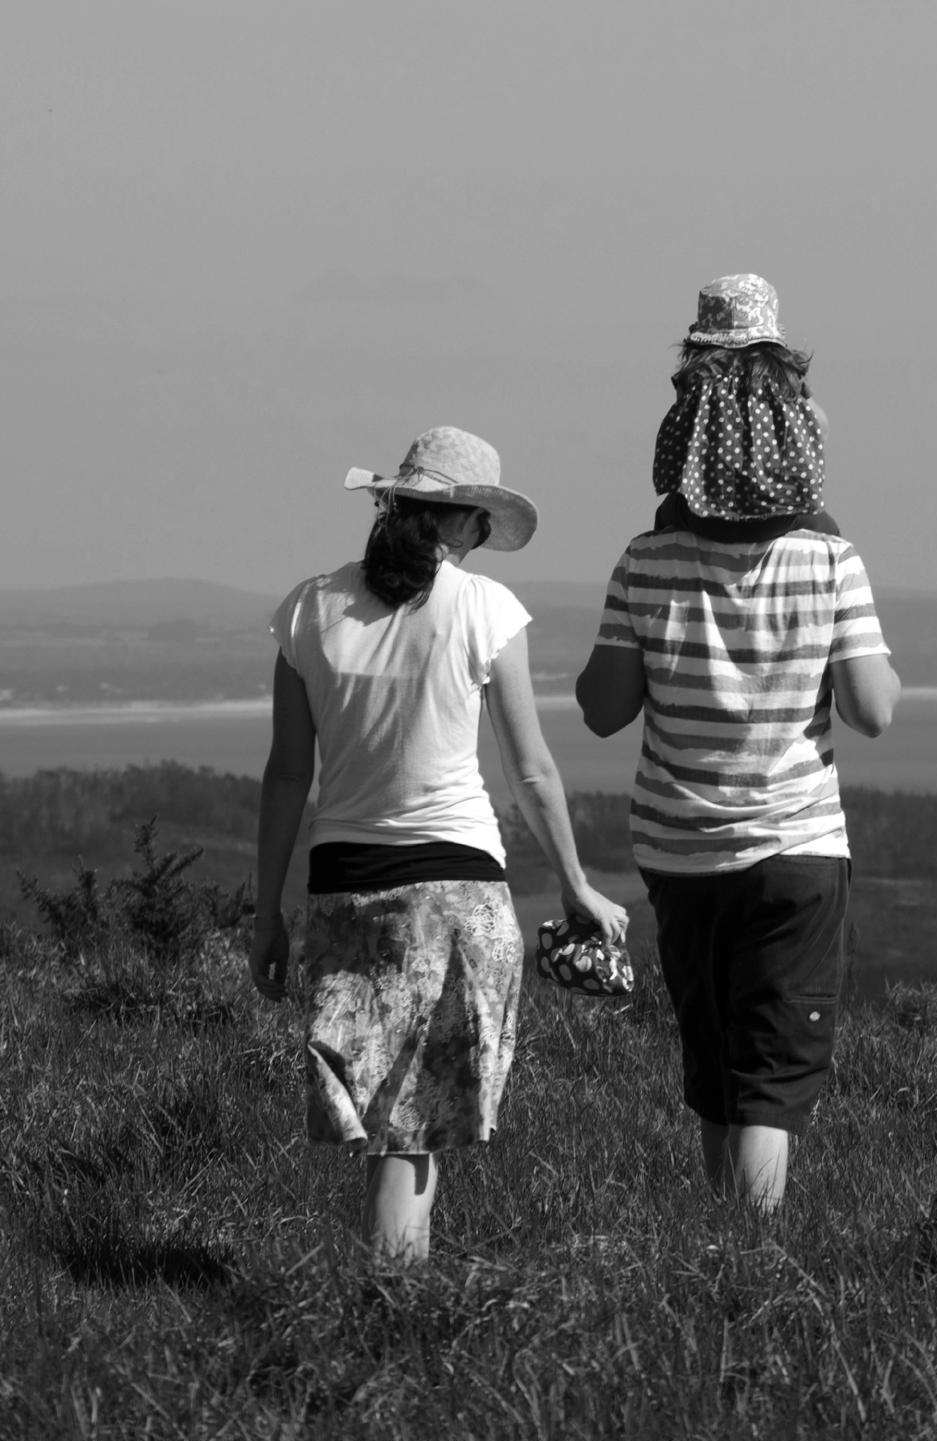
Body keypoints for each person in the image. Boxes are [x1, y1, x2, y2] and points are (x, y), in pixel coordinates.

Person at [249, 425, 627, 1262]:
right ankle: (394, 1294)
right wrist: (575, 883)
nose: (482, 539)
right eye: (481, 524)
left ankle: (388, 1288)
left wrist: (265, 910)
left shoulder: (308, 609)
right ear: (459, 522)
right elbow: (530, 769)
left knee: (387, 1124)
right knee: (411, 1126)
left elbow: (286, 774)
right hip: (458, 888)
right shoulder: (484, 609)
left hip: (343, 886)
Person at [576, 275, 901, 1211]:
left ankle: (717, 1242)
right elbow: (871, 710)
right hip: (795, 844)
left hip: (679, 849)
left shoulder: (644, 559)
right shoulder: (828, 559)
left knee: (715, 1068)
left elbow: (603, 709)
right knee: (769, 1078)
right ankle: (748, 1265)